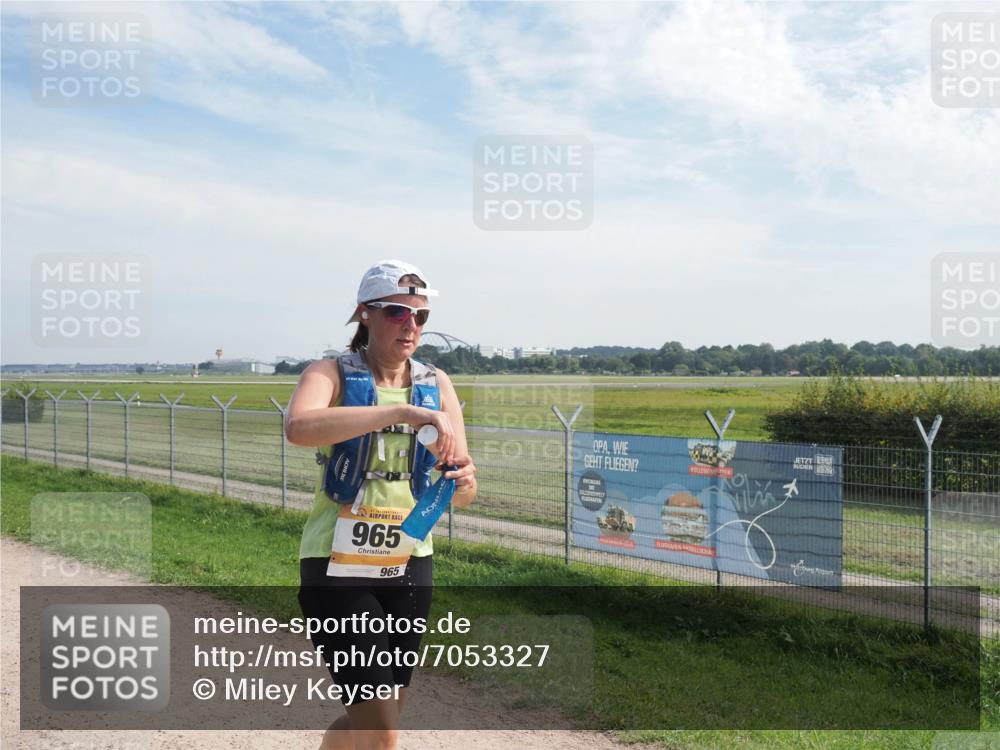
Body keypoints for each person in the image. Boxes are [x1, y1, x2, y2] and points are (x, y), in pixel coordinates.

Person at [285, 260, 477, 750]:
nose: (410, 325)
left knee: (375, 722)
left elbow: (464, 485)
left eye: (420, 316)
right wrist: (399, 412)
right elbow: (299, 428)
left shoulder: (438, 384)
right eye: (396, 312)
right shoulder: (329, 373)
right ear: (364, 314)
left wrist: (464, 477)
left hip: (410, 564)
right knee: (383, 731)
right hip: (337, 564)